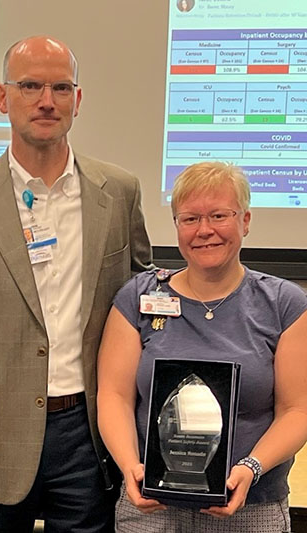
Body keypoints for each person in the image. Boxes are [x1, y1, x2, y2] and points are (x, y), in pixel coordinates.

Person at [0, 35, 152, 532]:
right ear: (3, 98)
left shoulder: (119, 194)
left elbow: (142, 312)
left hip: (89, 434)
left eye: (60, 88)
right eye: (30, 86)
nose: (46, 101)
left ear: (78, 99)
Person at [98, 161, 307, 532]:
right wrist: (131, 467)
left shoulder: (284, 304)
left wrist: (251, 469)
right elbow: (114, 395)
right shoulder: (138, 297)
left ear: (245, 220)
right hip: (150, 508)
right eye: (190, 218)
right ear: (177, 226)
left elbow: (297, 410)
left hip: (250, 507)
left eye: (219, 215)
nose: (205, 230)